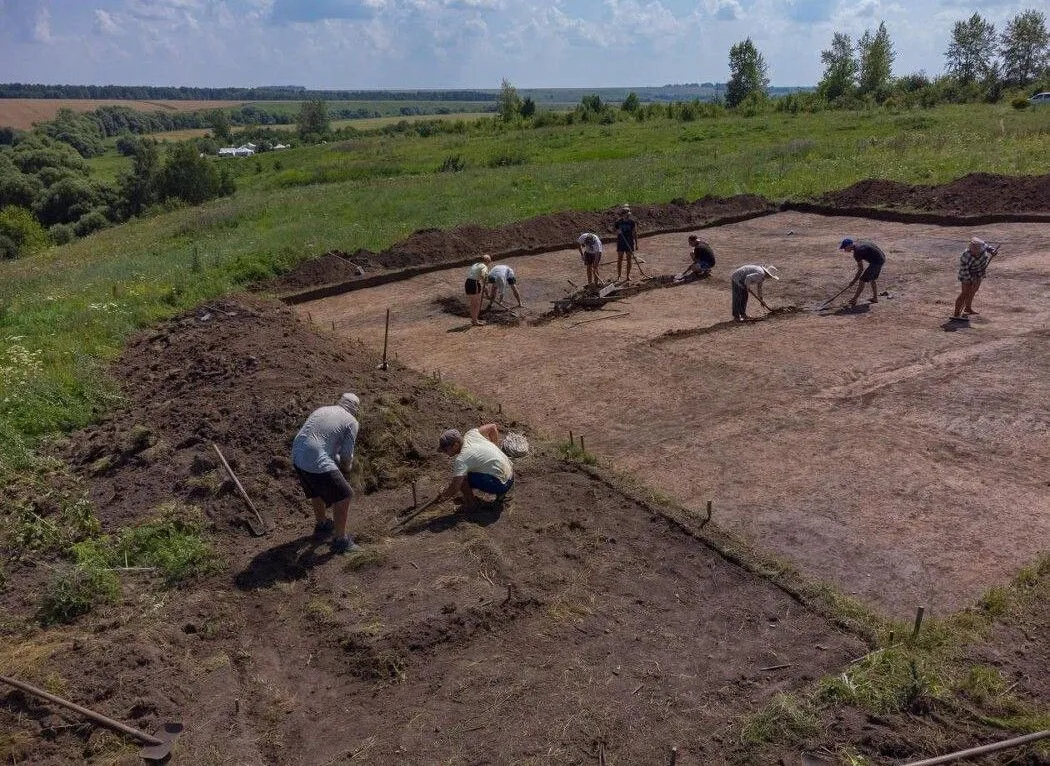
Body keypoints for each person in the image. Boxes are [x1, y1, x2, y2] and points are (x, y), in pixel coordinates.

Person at [291, 393, 362, 554]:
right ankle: (340, 540)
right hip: (315, 457)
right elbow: (346, 455)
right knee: (344, 495)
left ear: (340, 402)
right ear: (355, 409)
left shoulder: (322, 410)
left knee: (315, 490)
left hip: (297, 453)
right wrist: (347, 469)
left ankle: (322, 524)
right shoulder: (351, 421)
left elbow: (324, 441)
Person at [435, 424, 514, 509]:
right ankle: (500, 493)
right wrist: (495, 448)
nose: (445, 453)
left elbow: (455, 487)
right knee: (467, 470)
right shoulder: (471, 434)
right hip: (511, 476)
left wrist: (443, 496)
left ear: (455, 445)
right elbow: (492, 427)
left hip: (502, 484)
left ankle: (471, 505)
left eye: (446, 450)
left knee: (462, 479)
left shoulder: (461, 459)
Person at [952, 237, 998, 320]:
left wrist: (992, 251)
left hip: (979, 272)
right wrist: (971, 280)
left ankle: (968, 308)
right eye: (974, 251)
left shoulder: (982, 246)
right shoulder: (965, 256)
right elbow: (965, 270)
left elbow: (988, 247)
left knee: (973, 291)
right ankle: (956, 314)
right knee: (965, 293)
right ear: (971, 250)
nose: (977, 253)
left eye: (978, 251)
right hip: (967, 274)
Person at [839, 238, 886, 307]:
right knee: (872, 278)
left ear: (849, 245)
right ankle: (875, 298)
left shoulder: (857, 252)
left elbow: (861, 269)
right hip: (881, 258)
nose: (845, 250)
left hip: (876, 261)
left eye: (845, 248)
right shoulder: (859, 244)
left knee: (862, 280)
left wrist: (853, 281)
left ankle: (854, 299)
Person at [612, 204, 639, 283]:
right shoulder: (618, 222)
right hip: (621, 242)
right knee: (619, 259)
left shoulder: (632, 222)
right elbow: (613, 230)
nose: (627, 215)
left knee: (629, 260)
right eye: (625, 213)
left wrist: (636, 243)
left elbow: (635, 233)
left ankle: (627, 275)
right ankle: (619, 276)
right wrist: (617, 231)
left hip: (629, 242)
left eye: (628, 213)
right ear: (623, 214)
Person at [464, 254, 491, 326]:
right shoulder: (484, 266)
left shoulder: (475, 264)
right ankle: (475, 321)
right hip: (474, 283)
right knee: (476, 303)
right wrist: (486, 286)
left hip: (468, 282)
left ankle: (474, 320)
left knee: (473, 303)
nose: (490, 262)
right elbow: (483, 275)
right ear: (487, 260)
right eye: (489, 260)